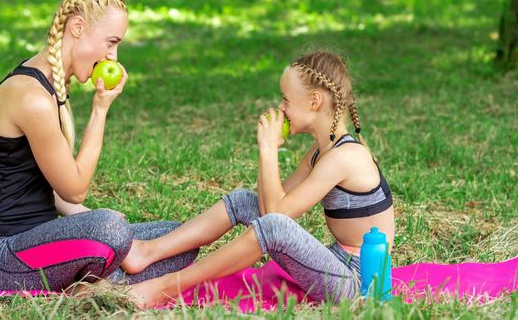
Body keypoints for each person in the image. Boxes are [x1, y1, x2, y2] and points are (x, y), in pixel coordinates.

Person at [0, 0, 197, 292]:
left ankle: (97, 274)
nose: (113, 57)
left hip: (43, 241)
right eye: (111, 42)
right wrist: (100, 110)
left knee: (178, 239)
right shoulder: (31, 97)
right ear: (77, 27)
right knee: (111, 229)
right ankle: (107, 269)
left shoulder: (54, 85)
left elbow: (56, 193)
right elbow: (74, 189)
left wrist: (91, 220)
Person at [123, 51, 395, 307]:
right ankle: (147, 252)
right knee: (243, 201)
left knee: (276, 227)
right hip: (337, 261)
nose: (280, 107)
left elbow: (277, 216)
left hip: (360, 284)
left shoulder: (344, 157)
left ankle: (169, 286)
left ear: (314, 101)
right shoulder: (320, 152)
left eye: (286, 99)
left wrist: (268, 149)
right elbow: (269, 207)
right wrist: (266, 151)